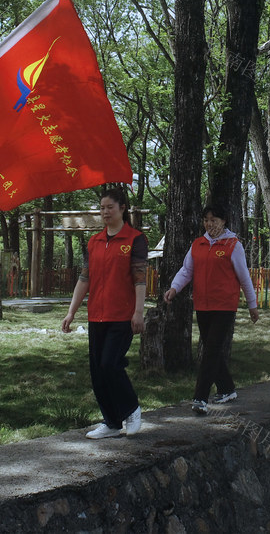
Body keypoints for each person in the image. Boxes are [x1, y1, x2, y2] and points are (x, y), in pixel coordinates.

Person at [62, 188, 146, 439]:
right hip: (96, 315)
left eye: (110, 207)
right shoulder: (94, 241)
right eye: (102, 208)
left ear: (122, 208)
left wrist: (139, 312)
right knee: (98, 372)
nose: (105, 212)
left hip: (123, 315)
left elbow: (140, 279)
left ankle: (131, 408)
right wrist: (71, 312)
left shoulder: (135, 239)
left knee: (110, 364)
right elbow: (84, 279)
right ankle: (111, 423)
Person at [163, 204, 259, 415]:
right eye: (206, 219)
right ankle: (227, 389)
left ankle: (200, 398)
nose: (209, 223)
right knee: (211, 348)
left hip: (224, 305)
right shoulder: (198, 244)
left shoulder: (233, 245)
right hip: (202, 304)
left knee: (211, 350)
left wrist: (252, 305)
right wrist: (174, 288)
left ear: (224, 221)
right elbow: (187, 270)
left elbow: (244, 277)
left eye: (214, 219)